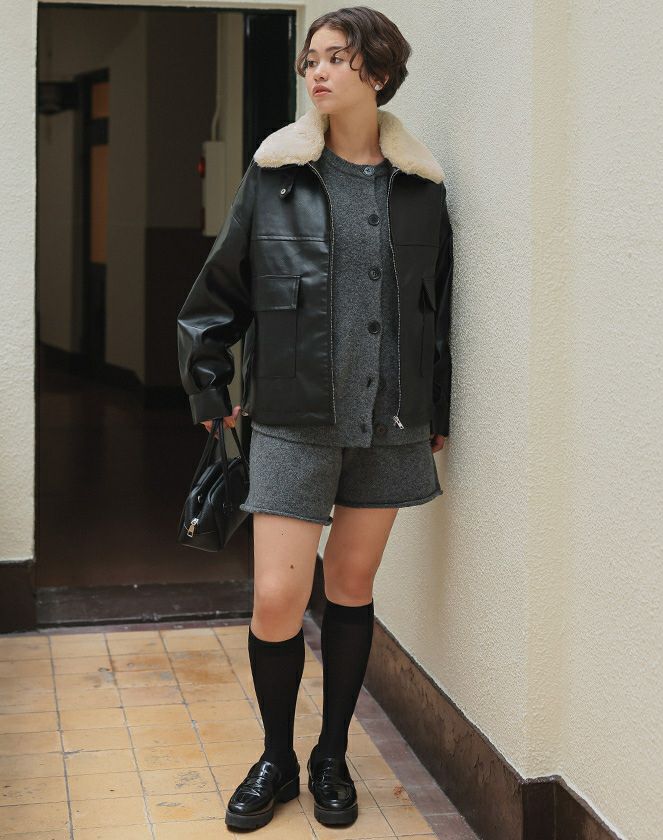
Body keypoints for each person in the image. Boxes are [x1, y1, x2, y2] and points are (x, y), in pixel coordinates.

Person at [176, 5, 454, 832]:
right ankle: (277, 758)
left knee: (351, 588)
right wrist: (208, 388)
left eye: (336, 57)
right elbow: (215, 295)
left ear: (378, 72)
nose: (318, 71)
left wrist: (436, 407)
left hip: (390, 425)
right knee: (275, 599)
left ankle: (331, 755)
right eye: (312, 59)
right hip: (293, 421)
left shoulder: (422, 190)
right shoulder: (276, 177)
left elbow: (438, 314)